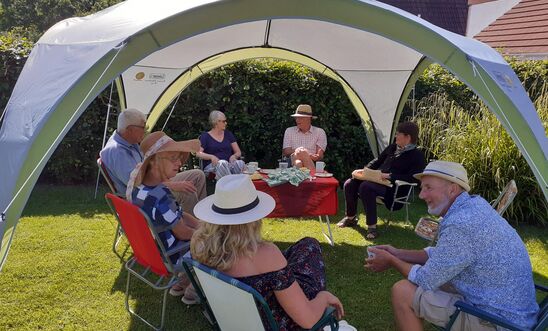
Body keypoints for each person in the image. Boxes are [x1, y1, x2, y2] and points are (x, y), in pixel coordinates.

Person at [365, 161, 539, 331]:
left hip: (499, 323)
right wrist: (398, 253)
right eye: (422, 188)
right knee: (440, 280)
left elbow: (426, 279)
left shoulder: (461, 223)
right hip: (515, 315)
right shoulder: (474, 205)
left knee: (402, 292)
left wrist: (391, 261)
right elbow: (444, 255)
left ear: (452, 189)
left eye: (428, 188)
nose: (421, 195)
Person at [191, 174, 344, 330]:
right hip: (276, 323)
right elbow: (308, 320)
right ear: (254, 218)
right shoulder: (266, 254)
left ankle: (289, 276)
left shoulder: (201, 247)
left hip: (240, 317)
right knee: (310, 250)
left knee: (307, 245)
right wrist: (324, 297)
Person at [126, 131, 202, 303]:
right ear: (153, 161)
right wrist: (208, 233)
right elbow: (182, 233)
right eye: (173, 158)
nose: (179, 164)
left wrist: (201, 225)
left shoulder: (141, 190)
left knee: (206, 231)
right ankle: (193, 290)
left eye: (179, 158)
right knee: (221, 243)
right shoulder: (160, 196)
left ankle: (180, 284)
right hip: (174, 254)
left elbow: (181, 216)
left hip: (157, 251)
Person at [100, 108, 206, 216]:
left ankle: (203, 220)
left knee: (198, 175)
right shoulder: (117, 152)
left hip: (154, 183)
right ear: (130, 129)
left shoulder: (131, 143)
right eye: (143, 127)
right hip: (142, 196)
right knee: (187, 191)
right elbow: (138, 184)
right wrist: (173, 185)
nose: (145, 131)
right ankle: (195, 230)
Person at [337, 121, 425, 239]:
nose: (395, 136)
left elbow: (414, 177)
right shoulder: (393, 147)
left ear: (407, 137)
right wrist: (366, 170)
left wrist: (390, 176)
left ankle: (372, 227)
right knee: (349, 183)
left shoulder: (417, 155)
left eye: (398, 134)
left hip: (394, 189)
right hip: (377, 180)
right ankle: (351, 218)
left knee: (366, 187)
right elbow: (378, 160)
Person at [197, 110, 245, 179]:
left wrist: (234, 156)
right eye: (223, 121)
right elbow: (198, 153)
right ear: (216, 122)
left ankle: (240, 186)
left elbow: (238, 152)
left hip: (229, 164)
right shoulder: (205, 136)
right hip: (212, 166)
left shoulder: (228, 134)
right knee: (222, 163)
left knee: (240, 163)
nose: (226, 123)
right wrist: (211, 157)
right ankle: (229, 187)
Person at [282, 104, 327, 170]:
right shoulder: (289, 131)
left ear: (309, 119)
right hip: (292, 160)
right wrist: (301, 151)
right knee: (299, 158)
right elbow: (286, 152)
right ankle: (312, 178)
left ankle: (299, 178)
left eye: (300, 118)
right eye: (296, 118)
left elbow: (319, 156)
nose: (297, 120)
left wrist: (305, 155)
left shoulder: (320, 132)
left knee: (299, 163)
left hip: (311, 161)